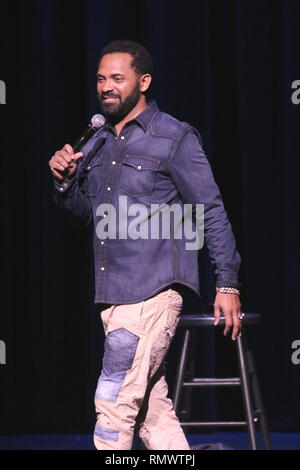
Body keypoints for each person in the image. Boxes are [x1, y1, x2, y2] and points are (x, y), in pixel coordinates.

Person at [49, 40, 242, 450]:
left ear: (144, 81)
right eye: (101, 78)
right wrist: (65, 182)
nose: (107, 87)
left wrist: (227, 282)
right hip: (113, 296)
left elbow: (210, 209)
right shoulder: (98, 142)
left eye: (118, 78)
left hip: (153, 292)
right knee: (154, 414)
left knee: (114, 404)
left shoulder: (173, 137)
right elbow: (87, 215)